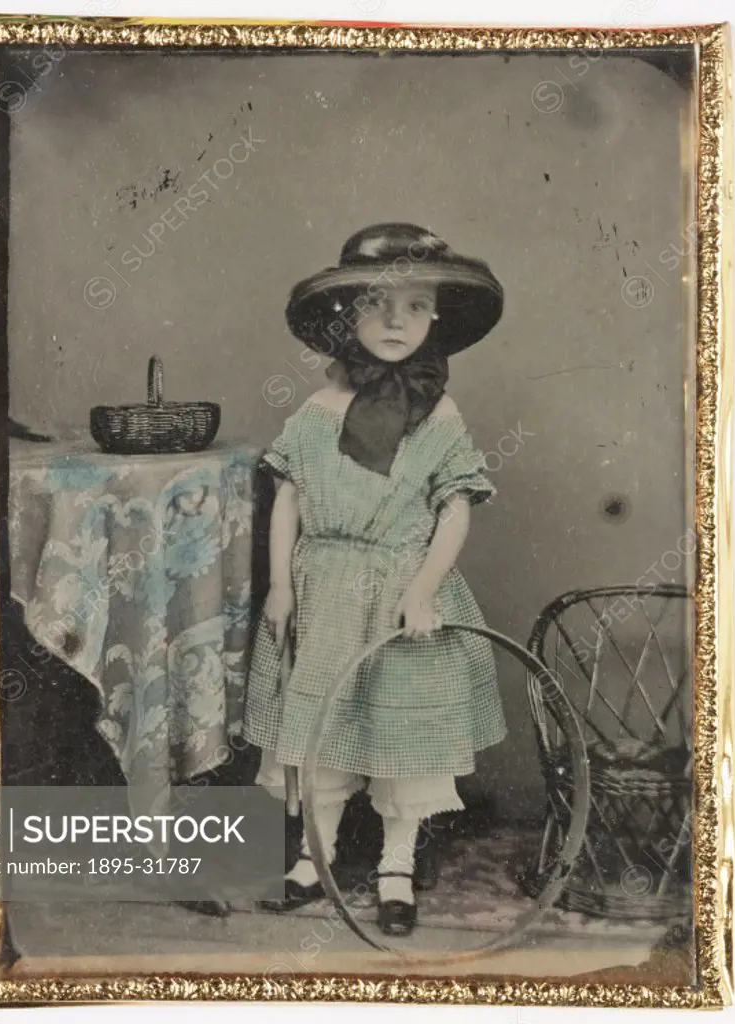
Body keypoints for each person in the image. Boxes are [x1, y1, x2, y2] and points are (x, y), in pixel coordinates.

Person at [242, 222, 508, 937]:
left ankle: (396, 867)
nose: (396, 322)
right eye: (377, 305)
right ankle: (312, 859)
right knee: (320, 733)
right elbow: (289, 496)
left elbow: (455, 510)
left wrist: (422, 591)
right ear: (346, 316)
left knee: (403, 743)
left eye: (416, 307)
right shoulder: (316, 410)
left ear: (435, 319)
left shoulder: (440, 415)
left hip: (400, 596)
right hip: (323, 591)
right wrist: (280, 585)